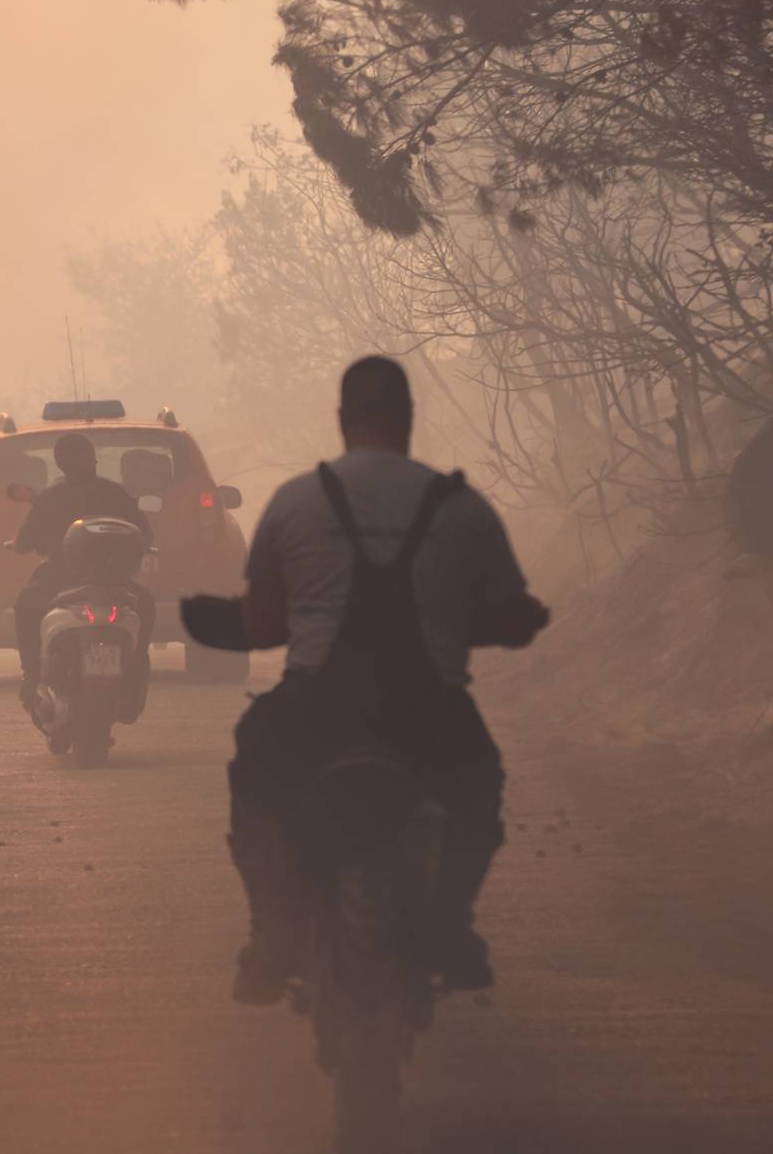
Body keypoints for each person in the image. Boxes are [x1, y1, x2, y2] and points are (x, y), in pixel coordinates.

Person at [191, 356, 548, 1006]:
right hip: (427, 712)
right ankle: (450, 927)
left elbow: (265, 623)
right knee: (477, 791)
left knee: (256, 783)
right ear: (411, 418)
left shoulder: (296, 501)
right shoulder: (459, 504)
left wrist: (215, 621)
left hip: (316, 710)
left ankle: (274, 931)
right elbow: (508, 618)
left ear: (341, 419)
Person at [12, 433, 157, 710]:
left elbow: (26, 540)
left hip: (59, 580)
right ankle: (135, 668)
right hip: (114, 580)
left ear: (60, 463)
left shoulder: (50, 497)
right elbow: (145, 534)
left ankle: (31, 675)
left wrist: (20, 544)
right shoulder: (115, 493)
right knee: (146, 606)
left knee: (26, 605)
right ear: (90, 459)